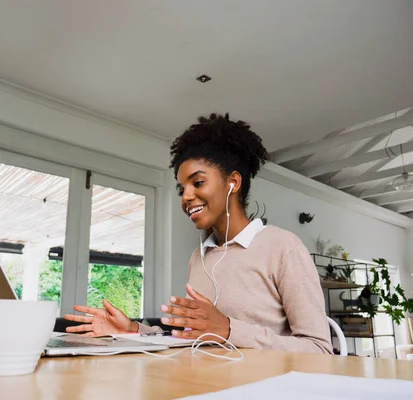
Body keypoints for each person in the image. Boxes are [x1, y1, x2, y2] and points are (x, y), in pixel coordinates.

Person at [65, 113, 332, 354]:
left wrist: (229, 329)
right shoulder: (199, 257)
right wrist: (134, 331)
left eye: (198, 182)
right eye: (182, 189)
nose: (186, 197)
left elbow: (319, 350)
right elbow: (193, 338)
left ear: (233, 182)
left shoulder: (283, 247)